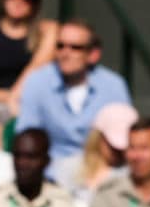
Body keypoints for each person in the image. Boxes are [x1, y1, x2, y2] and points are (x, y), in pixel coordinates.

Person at [13, 18, 134, 162]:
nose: (65, 53)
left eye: (75, 47)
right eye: (60, 46)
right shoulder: (37, 82)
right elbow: (28, 134)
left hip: (100, 171)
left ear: (93, 54)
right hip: (50, 172)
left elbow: (125, 138)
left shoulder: (113, 86)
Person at [52, 101, 136, 207]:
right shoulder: (67, 167)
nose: (117, 151)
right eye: (111, 145)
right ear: (98, 136)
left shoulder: (131, 176)